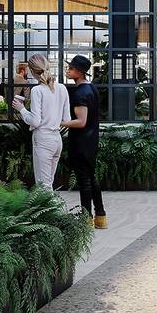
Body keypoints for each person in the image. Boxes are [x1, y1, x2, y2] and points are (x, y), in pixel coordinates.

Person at [12, 53, 71, 190]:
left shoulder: (37, 90)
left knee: (42, 186)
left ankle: (49, 205)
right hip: (57, 139)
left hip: (43, 139)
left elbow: (35, 121)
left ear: (32, 71)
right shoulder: (62, 88)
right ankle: (52, 204)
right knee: (48, 184)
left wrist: (21, 109)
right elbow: (67, 119)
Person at [61, 54, 107, 228]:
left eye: (71, 68)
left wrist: (60, 122)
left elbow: (81, 122)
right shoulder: (92, 89)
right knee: (91, 178)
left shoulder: (80, 93)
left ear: (80, 72)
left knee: (84, 181)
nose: (68, 70)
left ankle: (86, 220)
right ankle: (100, 216)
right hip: (91, 141)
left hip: (81, 143)